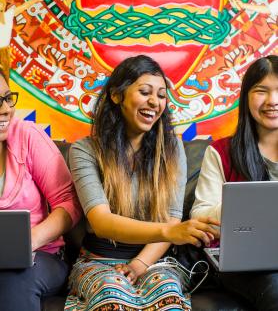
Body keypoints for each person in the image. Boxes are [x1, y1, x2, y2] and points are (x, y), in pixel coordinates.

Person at [65, 55, 219, 310]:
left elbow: (171, 218)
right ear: (117, 96)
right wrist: (169, 232)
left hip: (154, 262)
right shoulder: (84, 150)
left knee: (167, 298)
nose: (154, 102)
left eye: (161, 95)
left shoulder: (172, 148)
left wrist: (139, 264)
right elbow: (101, 222)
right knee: (112, 297)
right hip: (98, 261)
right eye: (145, 92)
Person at [191, 55, 278, 311]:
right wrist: (242, 207)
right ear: (246, 97)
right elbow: (200, 215)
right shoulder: (221, 151)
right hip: (246, 264)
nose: (272, 101)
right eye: (261, 91)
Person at [0, 68, 81, 311]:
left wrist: (28, 241)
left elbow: (70, 203)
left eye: (6, 98)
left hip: (40, 257)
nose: (5, 109)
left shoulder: (28, 136)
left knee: (13, 278)